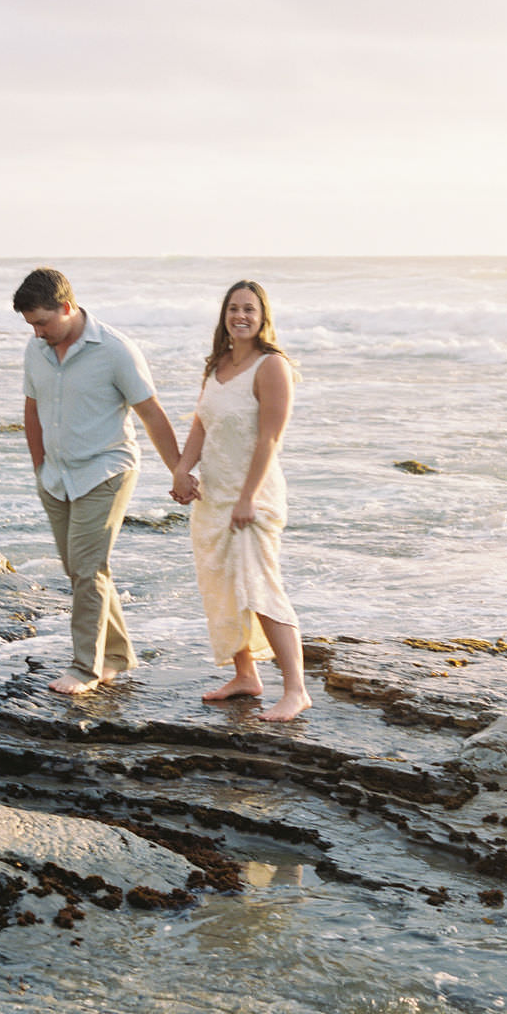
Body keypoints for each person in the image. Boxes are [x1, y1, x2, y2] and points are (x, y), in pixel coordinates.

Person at [14, 267, 182, 695]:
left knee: (88, 569)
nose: (36, 333)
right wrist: (39, 468)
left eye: (42, 322)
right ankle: (118, 655)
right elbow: (32, 409)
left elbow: (151, 412)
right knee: (80, 571)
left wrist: (179, 470)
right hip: (57, 476)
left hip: (106, 470)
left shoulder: (116, 350)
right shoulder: (37, 350)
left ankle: (86, 668)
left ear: (67, 308)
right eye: (30, 324)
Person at [172, 280, 311, 722]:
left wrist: (247, 497)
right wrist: (181, 468)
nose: (241, 316)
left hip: (253, 496)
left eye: (249, 309)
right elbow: (201, 424)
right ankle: (246, 676)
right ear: (224, 315)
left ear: (263, 315)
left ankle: (296, 690)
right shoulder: (218, 365)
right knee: (223, 586)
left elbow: (271, 436)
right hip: (214, 493)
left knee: (261, 586)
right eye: (233, 308)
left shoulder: (271, 366)